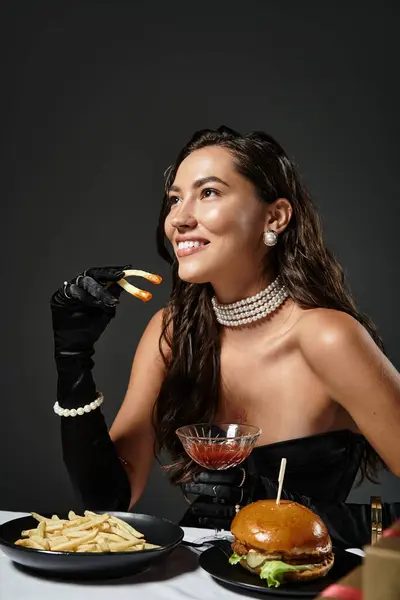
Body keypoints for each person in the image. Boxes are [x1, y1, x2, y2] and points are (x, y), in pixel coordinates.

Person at [50, 126, 400, 548]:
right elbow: (109, 500)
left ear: (275, 217)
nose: (179, 218)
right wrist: (73, 359)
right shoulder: (173, 332)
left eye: (209, 193)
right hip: (193, 578)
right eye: (176, 198)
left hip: (300, 587)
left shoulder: (328, 338)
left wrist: (298, 513)